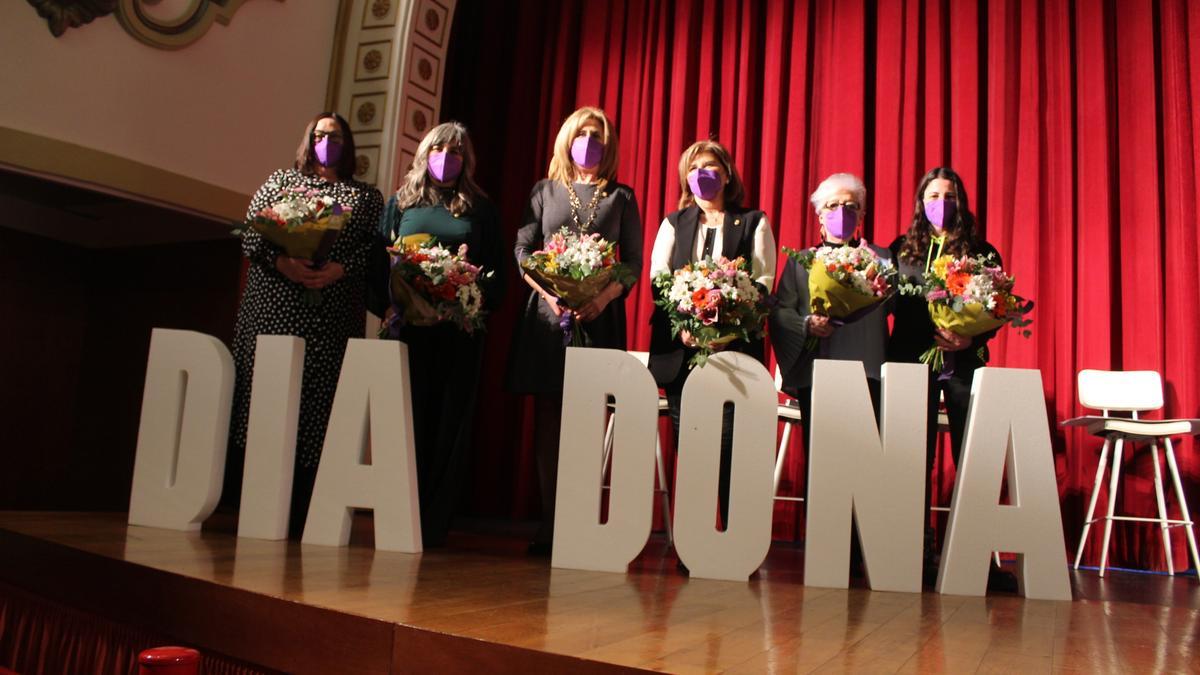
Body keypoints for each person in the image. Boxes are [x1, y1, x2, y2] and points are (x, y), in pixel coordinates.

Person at [226, 112, 384, 538]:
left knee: (319, 410)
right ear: (307, 141)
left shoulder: (365, 197)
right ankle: (256, 507)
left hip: (331, 317)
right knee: (269, 405)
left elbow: (374, 253)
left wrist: (339, 269)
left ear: (348, 145)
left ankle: (307, 513)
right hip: (275, 308)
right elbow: (251, 235)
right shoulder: (280, 183)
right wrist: (285, 263)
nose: (326, 141)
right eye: (319, 135)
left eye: (335, 136)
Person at [507, 106, 643, 554]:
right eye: (582, 134)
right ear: (567, 139)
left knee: (590, 419)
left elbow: (632, 265)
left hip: (599, 320)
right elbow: (524, 250)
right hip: (548, 320)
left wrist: (601, 299)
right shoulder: (544, 191)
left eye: (597, 136)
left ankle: (583, 524)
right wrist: (549, 294)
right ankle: (551, 525)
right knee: (549, 421)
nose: (589, 143)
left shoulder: (621, 197)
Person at [368, 121, 505, 547]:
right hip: (409, 332)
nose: (448, 156)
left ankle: (432, 524)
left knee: (448, 427)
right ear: (425, 152)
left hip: (457, 336)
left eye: (457, 151)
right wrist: (391, 306)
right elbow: (377, 263)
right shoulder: (399, 204)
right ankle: (395, 516)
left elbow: (496, 274)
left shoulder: (480, 209)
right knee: (404, 423)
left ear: (467, 160)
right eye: (440, 148)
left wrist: (466, 301)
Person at [888, 166, 1011, 589]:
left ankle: (978, 558)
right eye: (934, 196)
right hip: (911, 364)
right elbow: (892, 308)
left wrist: (967, 337)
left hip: (965, 365)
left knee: (971, 457)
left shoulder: (982, 251)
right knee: (911, 460)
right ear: (921, 203)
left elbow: (997, 308)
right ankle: (913, 553)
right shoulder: (900, 251)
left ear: (963, 203)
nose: (943, 204)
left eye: (951, 196)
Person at [648, 139, 776, 530]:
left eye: (711, 166)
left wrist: (728, 329)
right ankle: (694, 538)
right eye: (695, 167)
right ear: (686, 176)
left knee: (729, 449)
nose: (703, 175)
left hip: (735, 354)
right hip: (681, 354)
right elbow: (659, 279)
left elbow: (764, 281)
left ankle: (732, 538)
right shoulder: (674, 222)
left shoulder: (753, 221)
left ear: (727, 173)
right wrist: (687, 328)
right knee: (693, 449)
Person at [770, 172, 891, 439]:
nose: (842, 211)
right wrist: (807, 324)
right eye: (833, 205)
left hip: (868, 371)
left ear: (861, 216)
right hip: (816, 373)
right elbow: (780, 312)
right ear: (820, 216)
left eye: (851, 206)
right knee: (820, 459)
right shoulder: (801, 262)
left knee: (866, 456)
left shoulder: (881, 260)